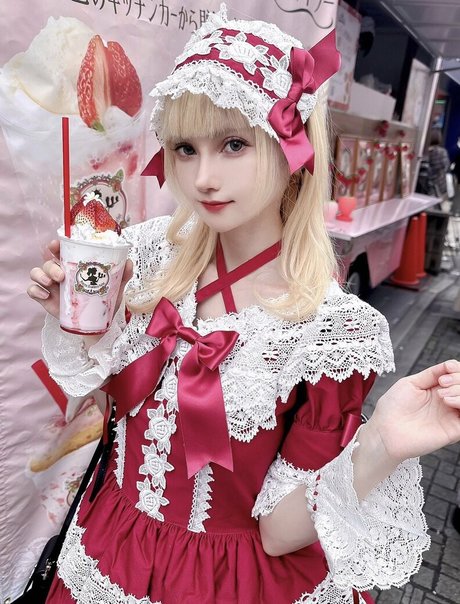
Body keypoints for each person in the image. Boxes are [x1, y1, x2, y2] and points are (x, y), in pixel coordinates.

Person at [27, 6, 460, 603]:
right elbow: (115, 407)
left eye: (233, 144)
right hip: (111, 546)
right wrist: (74, 320)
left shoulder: (332, 332)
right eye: (185, 148)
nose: (203, 177)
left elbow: (280, 534)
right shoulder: (147, 256)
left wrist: (382, 440)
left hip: (228, 583)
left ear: (292, 146)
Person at [427, 128, 450, 200]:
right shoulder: (442, 151)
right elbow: (446, 166)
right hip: (439, 184)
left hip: (426, 185)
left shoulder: (425, 151)